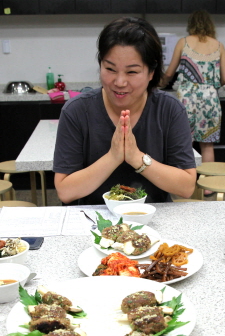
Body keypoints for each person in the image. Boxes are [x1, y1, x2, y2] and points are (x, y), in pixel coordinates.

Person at [53, 17, 197, 205]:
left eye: (132, 72)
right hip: (91, 221)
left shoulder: (169, 109)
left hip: (152, 222)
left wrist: (136, 157)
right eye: (110, 69)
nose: (120, 82)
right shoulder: (77, 111)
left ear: (151, 73)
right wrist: (113, 157)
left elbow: (186, 187)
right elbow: (65, 191)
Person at [163, 9, 225, 189]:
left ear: (190, 24)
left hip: (187, 97)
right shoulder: (219, 45)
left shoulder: (183, 43)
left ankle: (183, 185)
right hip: (210, 98)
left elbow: (169, 73)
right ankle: (208, 188)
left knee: (185, 143)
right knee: (207, 145)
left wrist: (160, 82)